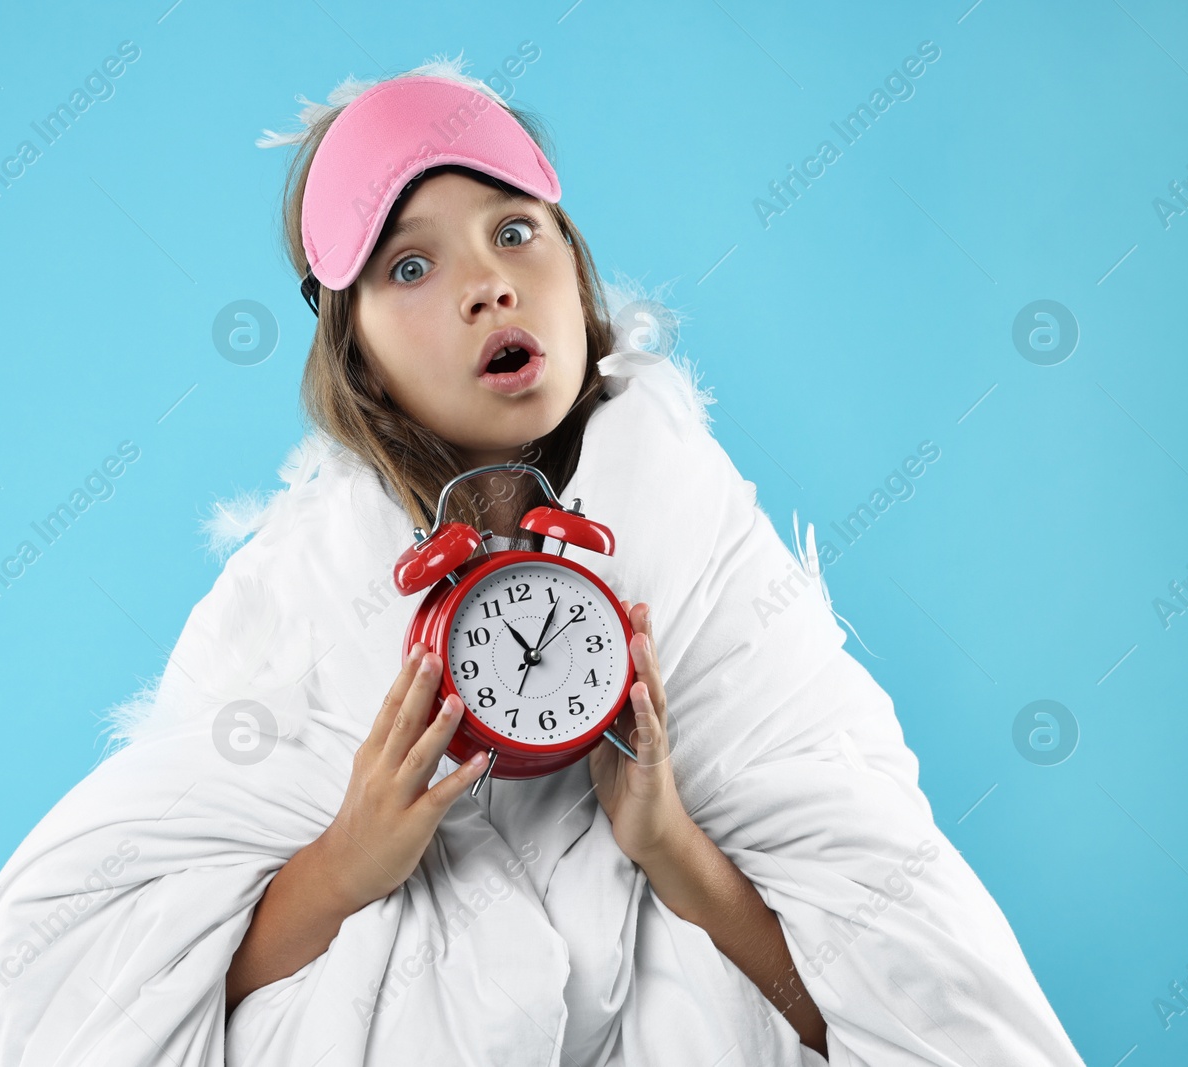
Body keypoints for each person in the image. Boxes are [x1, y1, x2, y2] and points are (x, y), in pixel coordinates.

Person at [226, 63, 831, 1056]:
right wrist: (345, 865)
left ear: (572, 263)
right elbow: (142, 1013)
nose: (488, 284)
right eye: (409, 267)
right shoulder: (290, 595)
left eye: (514, 231)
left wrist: (667, 843)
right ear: (357, 354)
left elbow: (877, 1010)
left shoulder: (705, 540)